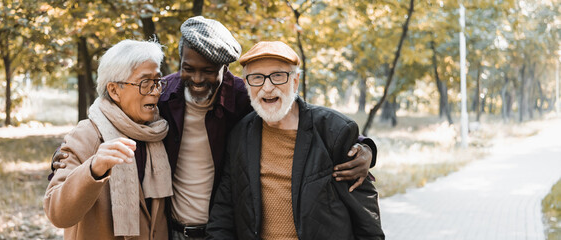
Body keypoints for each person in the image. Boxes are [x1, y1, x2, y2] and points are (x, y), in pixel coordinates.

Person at [50, 16, 378, 239]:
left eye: (208, 71)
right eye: (188, 68)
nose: (196, 79)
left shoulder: (241, 97)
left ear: (224, 69)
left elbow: (289, 106)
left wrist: (364, 147)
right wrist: (75, 160)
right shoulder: (163, 93)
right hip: (170, 229)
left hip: (222, 229)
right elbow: (116, 112)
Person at [206, 41, 384, 239]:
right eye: (257, 78)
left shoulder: (333, 130)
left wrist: (368, 149)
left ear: (295, 81)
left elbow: (366, 217)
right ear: (247, 84)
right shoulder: (240, 134)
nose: (267, 87)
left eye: (278, 76)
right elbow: (224, 209)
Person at [44, 39, 172, 240]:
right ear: (114, 90)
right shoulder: (87, 135)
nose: (155, 91)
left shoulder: (158, 132)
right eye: (145, 83)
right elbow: (57, 214)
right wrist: (93, 169)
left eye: (157, 82)